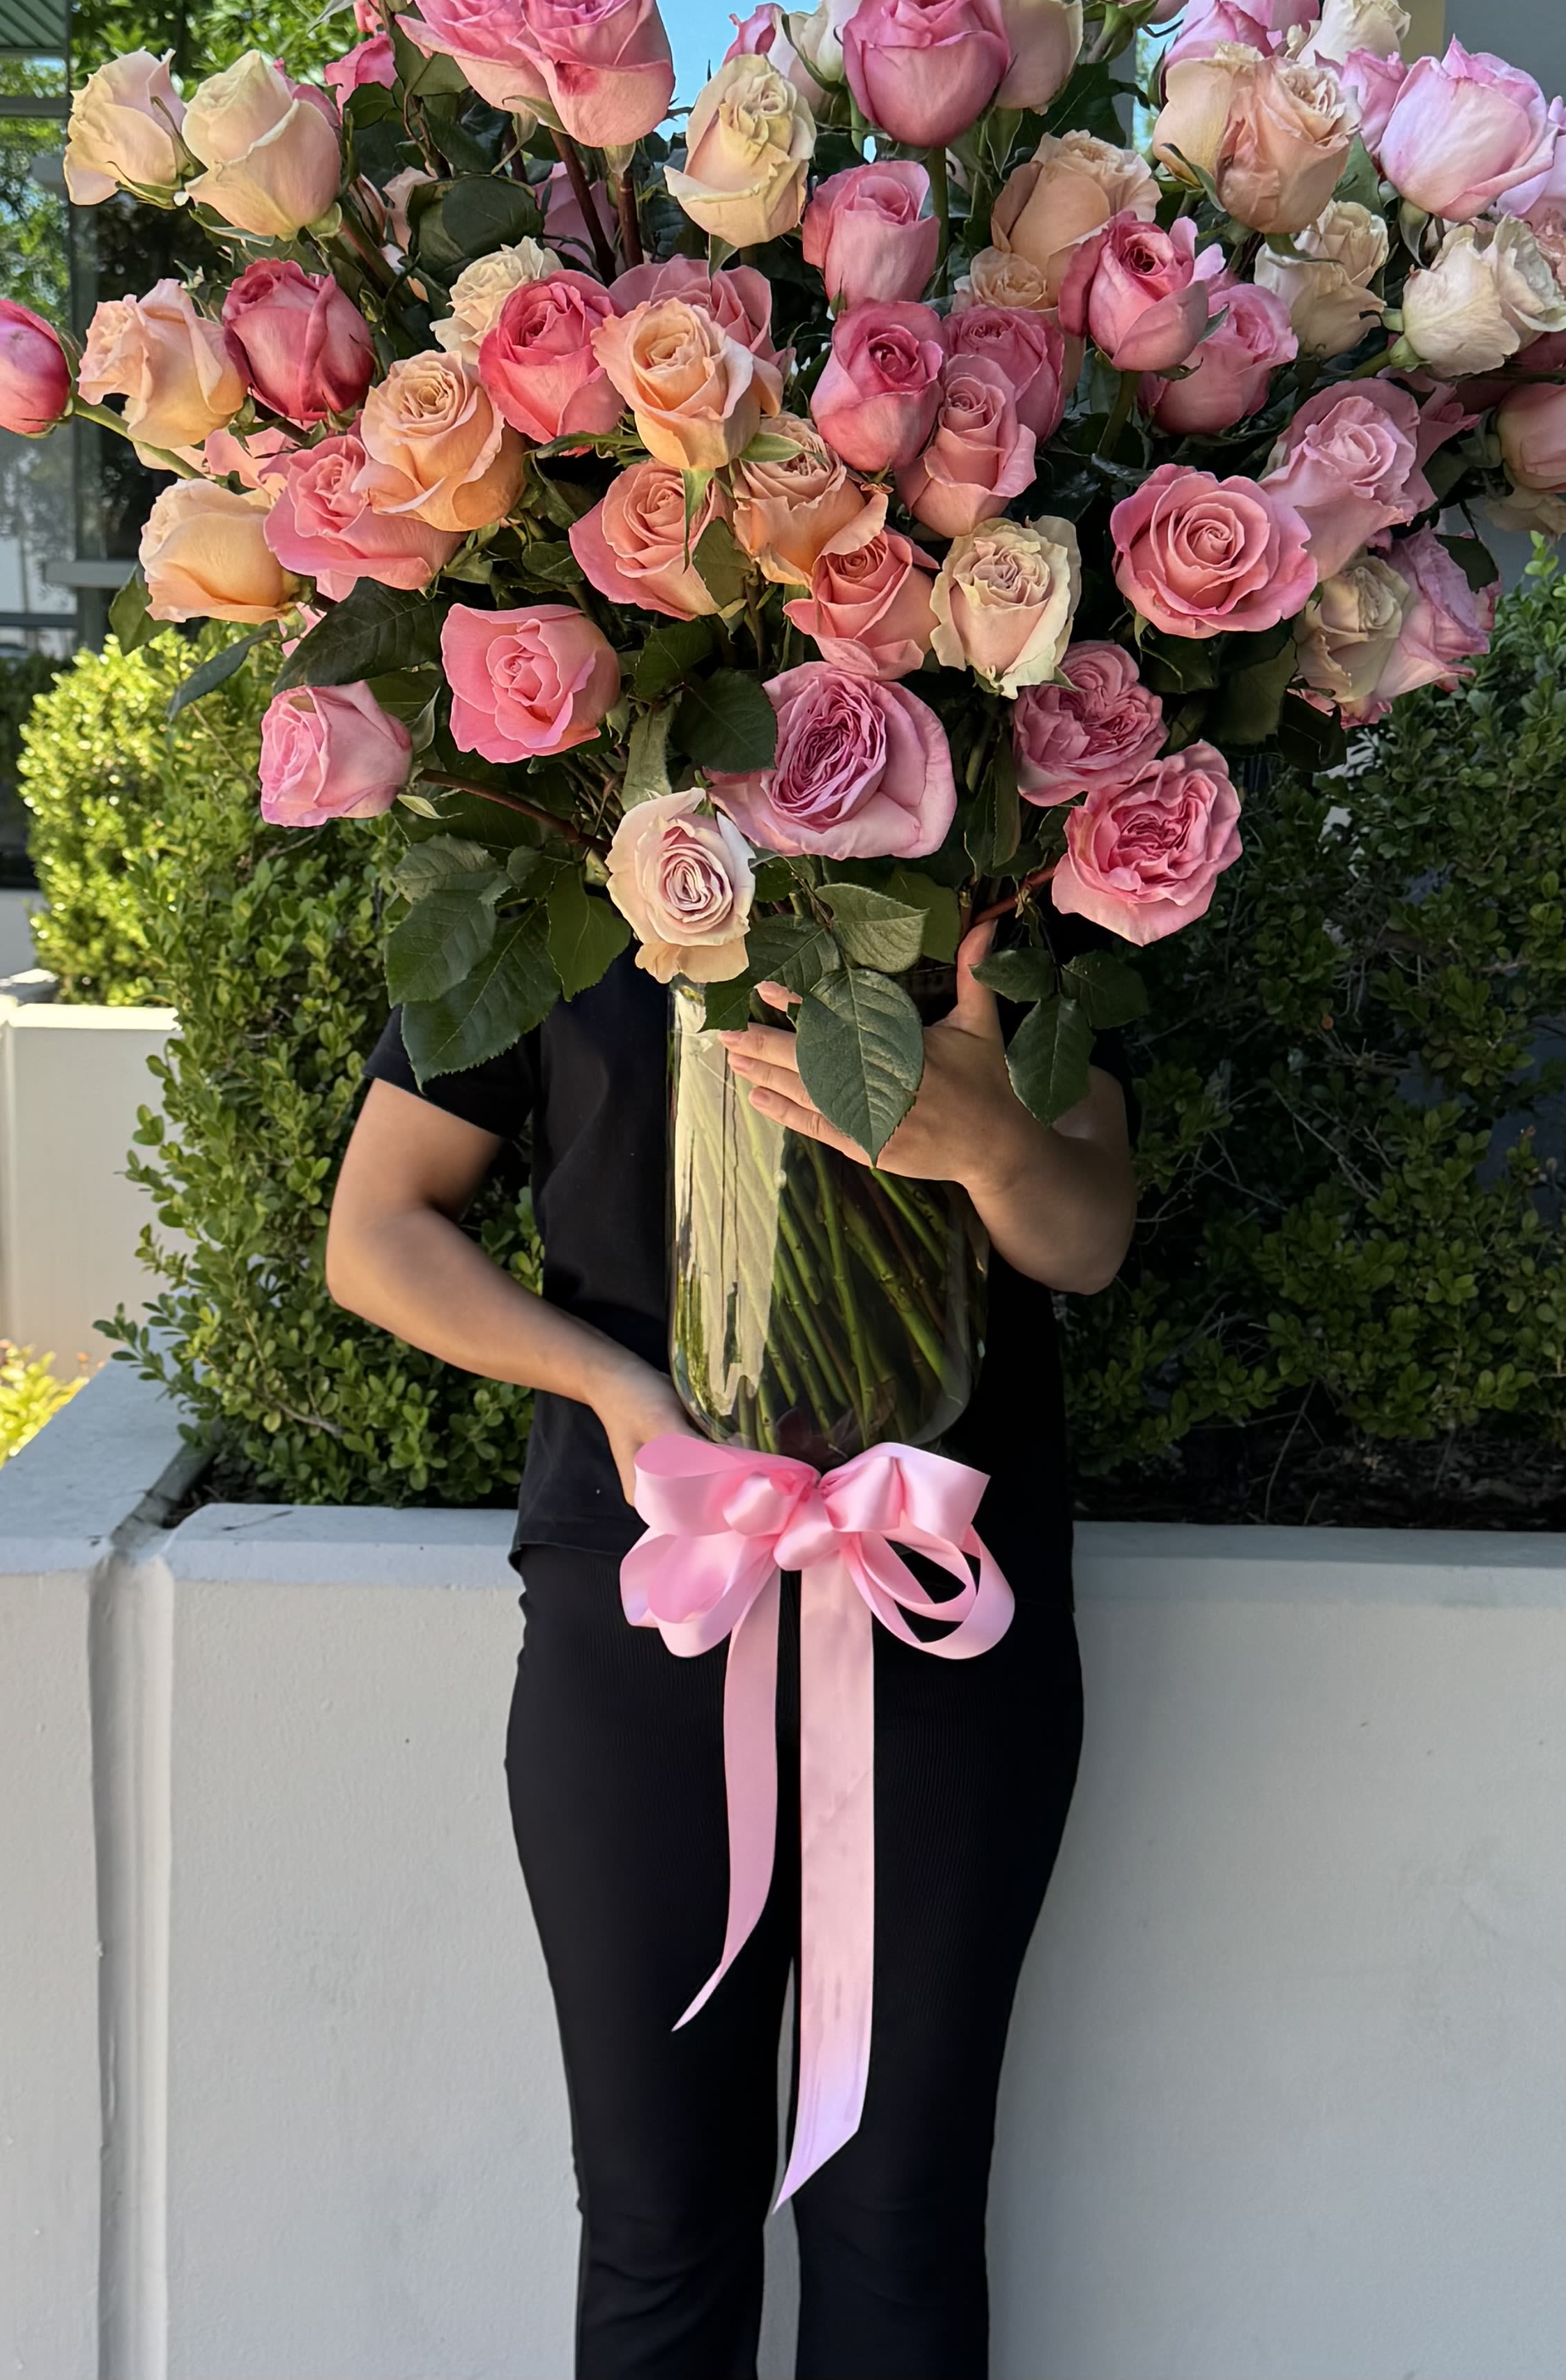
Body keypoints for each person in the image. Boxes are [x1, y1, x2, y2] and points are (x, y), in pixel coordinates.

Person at [325, 917, 1137, 2380]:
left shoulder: (999, 871)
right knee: (657, 2216)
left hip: (945, 1584)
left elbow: (1085, 1237)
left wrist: (987, 1146)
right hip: (649, 1590)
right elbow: (377, 1227)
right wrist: (612, 1386)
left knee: (900, 2206)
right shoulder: (564, 876)